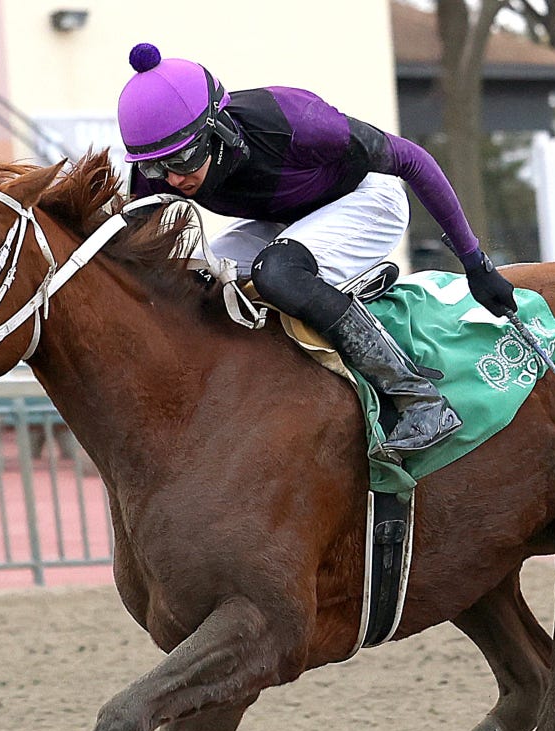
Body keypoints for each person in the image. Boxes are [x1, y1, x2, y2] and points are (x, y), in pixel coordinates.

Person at [117, 43, 517, 457]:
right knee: (187, 279)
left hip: (368, 199)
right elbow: (132, 256)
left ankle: (420, 399)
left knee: (276, 272)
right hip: (289, 220)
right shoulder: (160, 166)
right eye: (153, 166)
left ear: (218, 130)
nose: (170, 178)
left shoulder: (297, 123)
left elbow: (414, 161)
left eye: (182, 159)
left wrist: (475, 262)